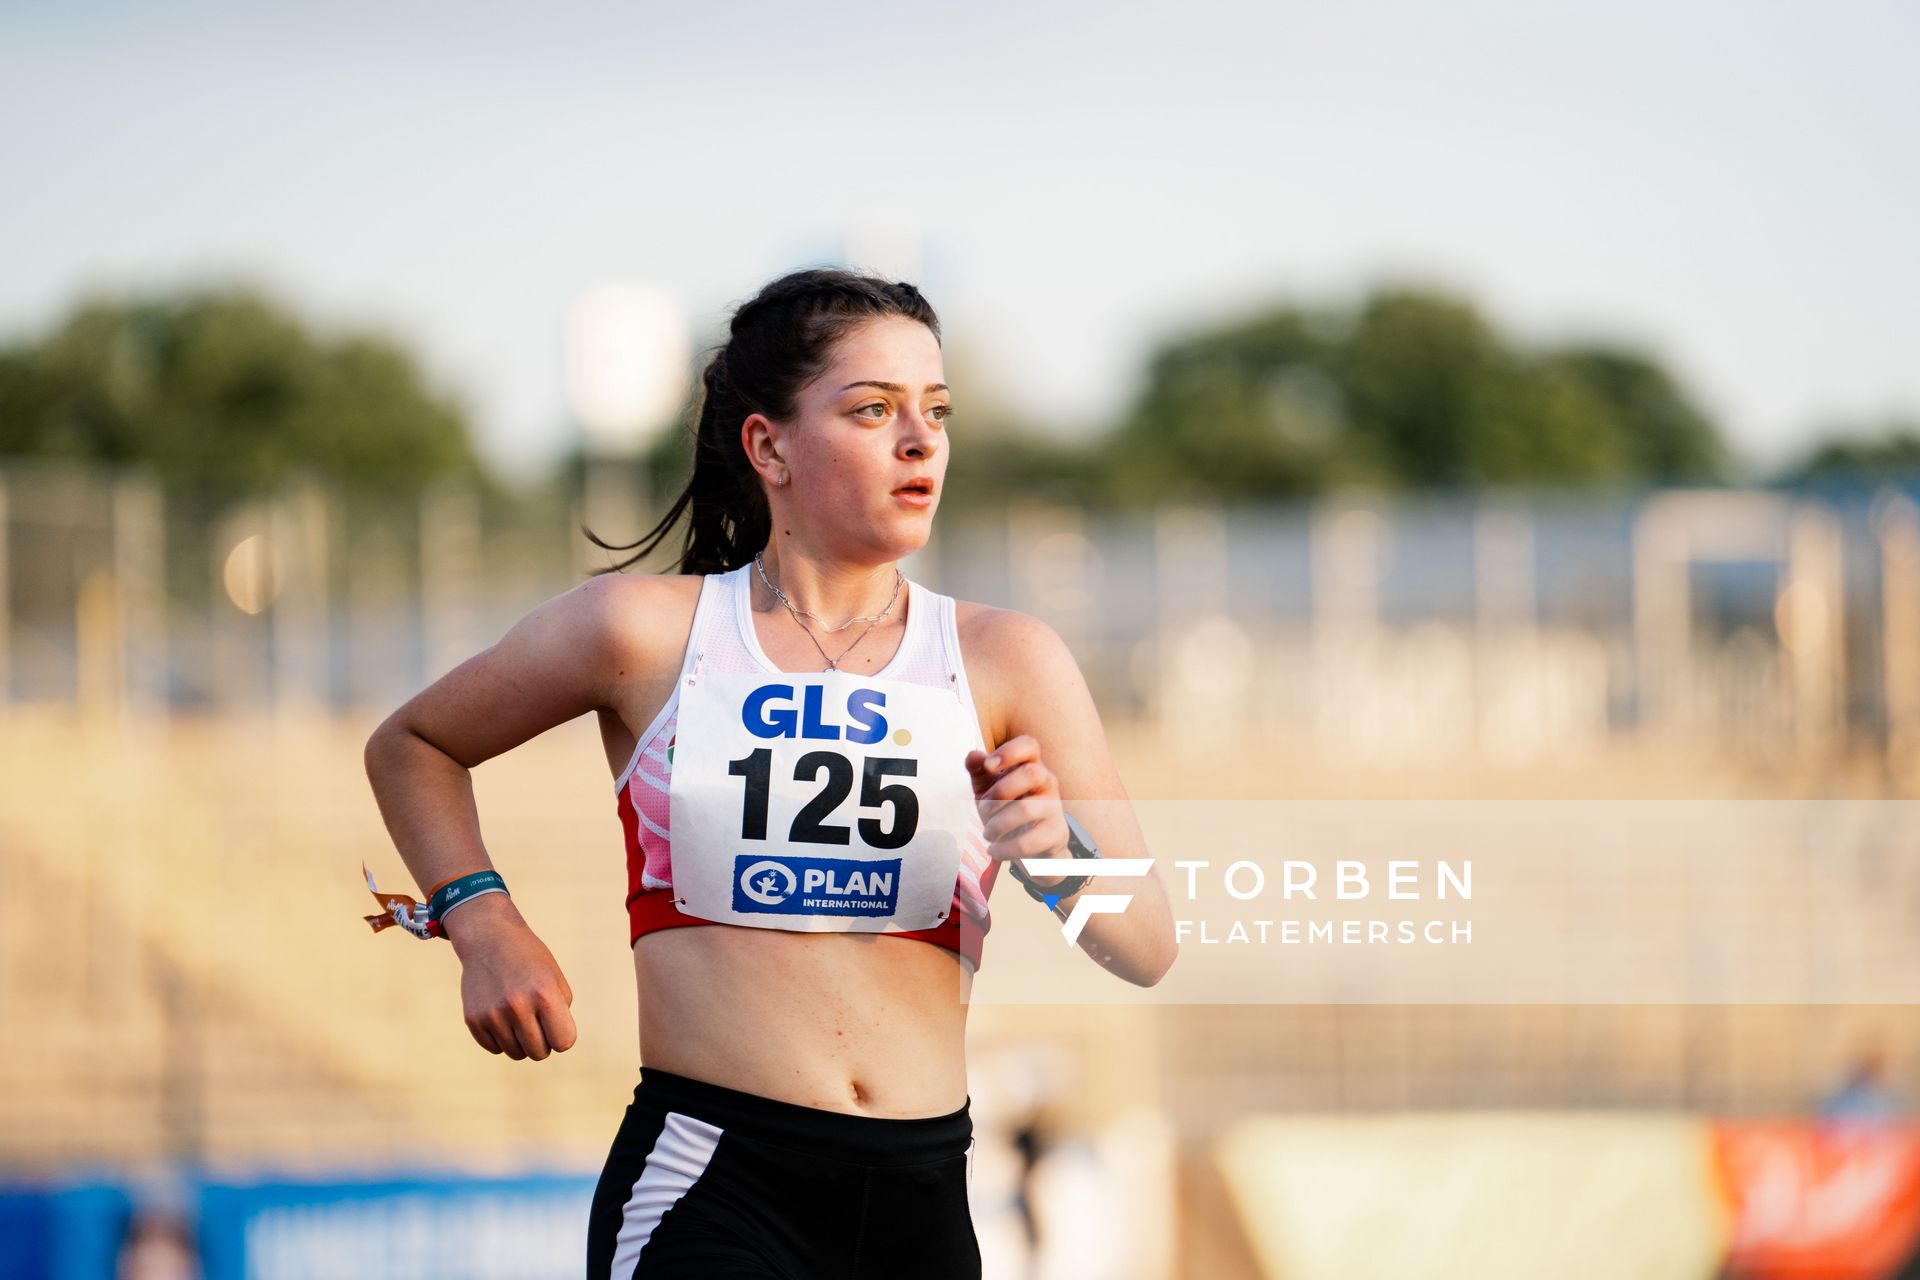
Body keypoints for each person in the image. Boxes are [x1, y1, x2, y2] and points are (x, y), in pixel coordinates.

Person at [363, 268, 1177, 1278]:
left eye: (935, 411)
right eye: (873, 409)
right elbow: (413, 744)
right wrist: (481, 918)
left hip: (922, 1200)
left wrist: (1057, 853)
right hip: (716, 1181)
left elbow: (1146, 945)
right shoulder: (643, 632)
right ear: (769, 444)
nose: (919, 440)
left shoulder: (1010, 657)